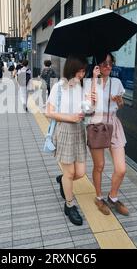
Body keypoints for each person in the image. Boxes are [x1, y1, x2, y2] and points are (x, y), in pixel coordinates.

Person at [46, 56, 91, 226]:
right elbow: (48, 112)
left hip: (79, 132)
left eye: (84, 71)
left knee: (80, 173)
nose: (82, 74)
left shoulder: (82, 87)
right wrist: (69, 117)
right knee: (70, 173)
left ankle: (63, 179)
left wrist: (90, 104)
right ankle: (69, 205)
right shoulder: (58, 87)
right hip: (64, 131)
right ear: (71, 69)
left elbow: (87, 109)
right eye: (80, 71)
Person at [83, 53, 129, 217]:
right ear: (97, 65)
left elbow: (120, 105)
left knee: (121, 169)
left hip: (114, 125)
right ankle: (99, 197)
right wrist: (94, 81)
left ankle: (113, 197)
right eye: (104, 63)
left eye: (110, 63)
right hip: (96, 125)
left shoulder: (116, 82)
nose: (108, 66)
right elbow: (87, 109)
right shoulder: (88, 82)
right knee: (100, 166)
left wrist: (119, 101)